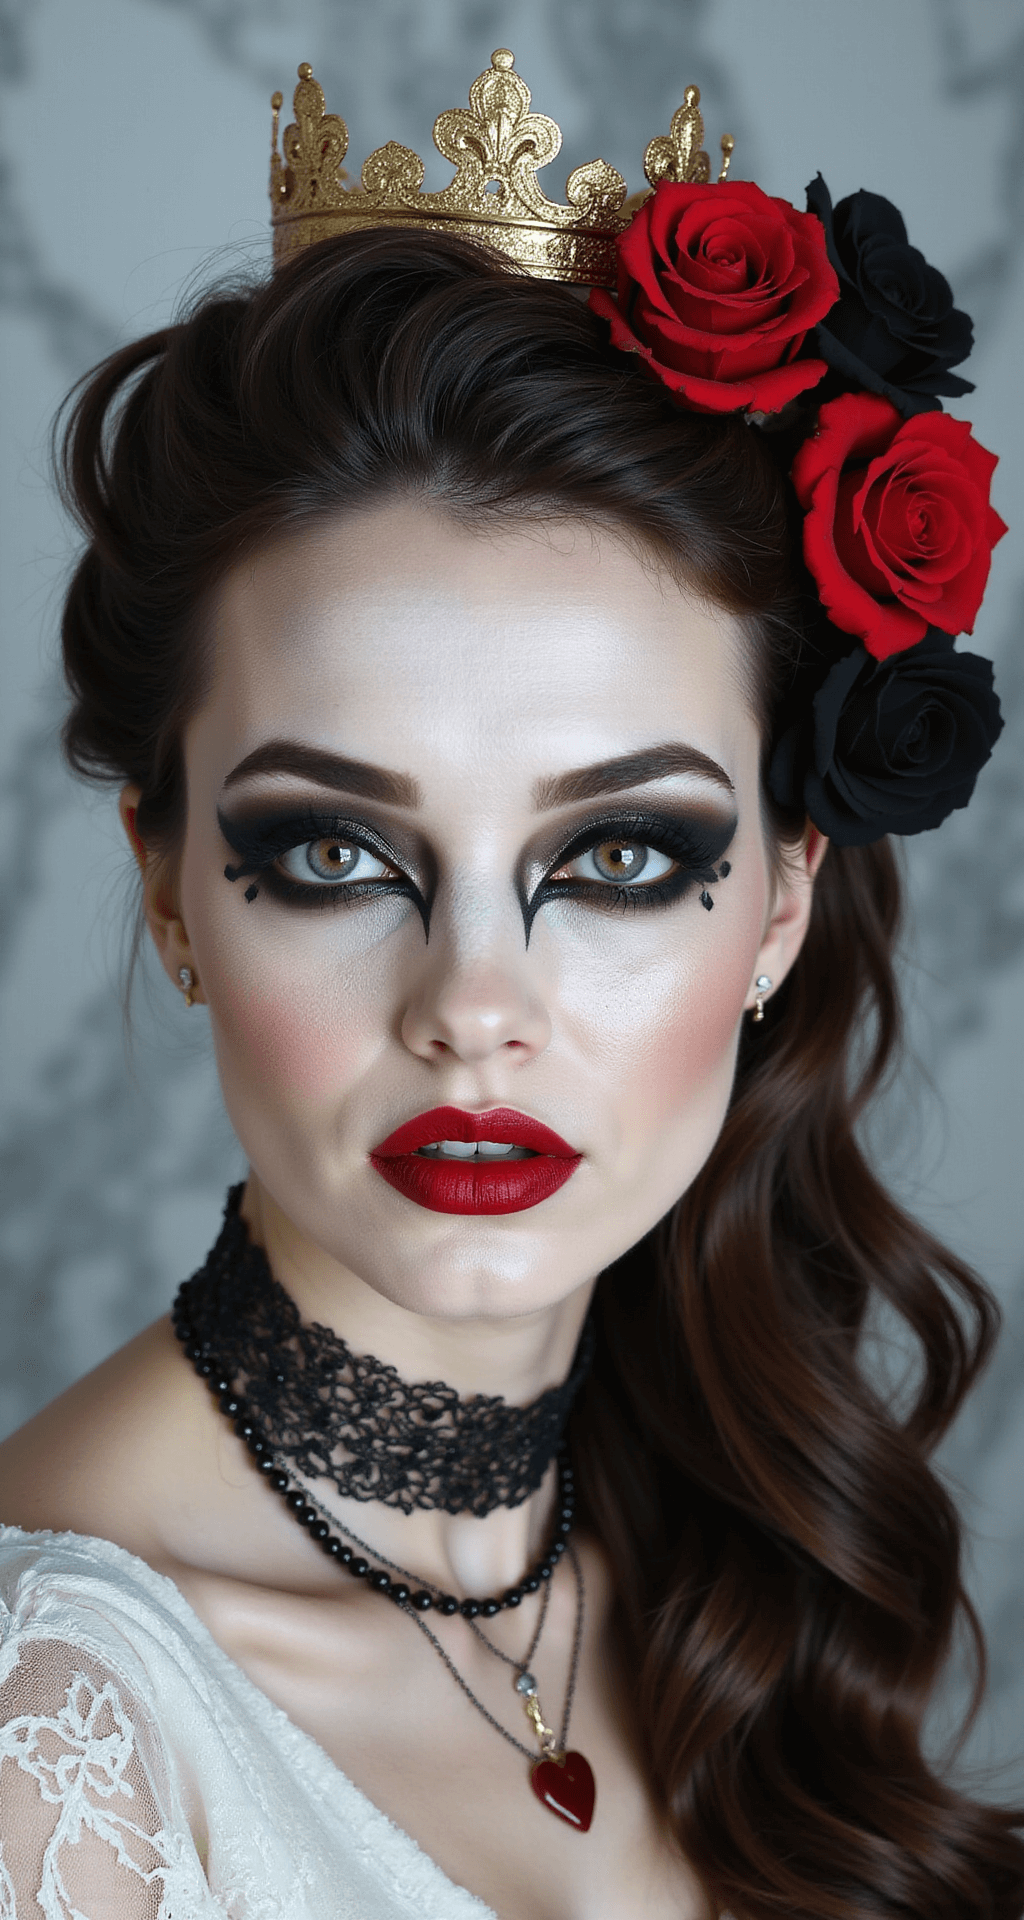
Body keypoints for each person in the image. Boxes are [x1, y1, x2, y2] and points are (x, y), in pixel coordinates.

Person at [0, 49, 1020, 1920]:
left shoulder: (709, 1557)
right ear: (166, 884)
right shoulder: (49, 1742)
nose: (475, 1003)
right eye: (335, 855)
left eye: (623, 858)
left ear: (785, 899)